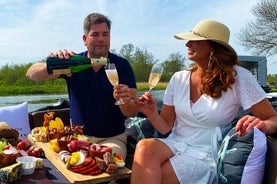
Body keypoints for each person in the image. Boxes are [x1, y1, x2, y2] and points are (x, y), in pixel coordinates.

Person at [131, 19, 277, 184]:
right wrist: (151, 112)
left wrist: (263, 125)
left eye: (195, 40)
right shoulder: (178, 78)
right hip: (176, 143)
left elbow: (273, 119)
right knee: (144, 147)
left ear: (213, 47)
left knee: (157, 175)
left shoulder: (238, 77)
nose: (187, 44)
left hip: (205, 154)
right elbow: (165, 125)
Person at [26, 13, 138, 159]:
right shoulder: (72, 63)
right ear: (85, 39)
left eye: (105, 34)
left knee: (106, 161)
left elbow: (133, 112)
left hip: (112, 140)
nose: (101, 39)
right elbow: (31, 73)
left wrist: (125, 101)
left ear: (110, 37)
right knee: (71, 164)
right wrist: (54, 64)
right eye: (95, 34)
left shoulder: (122, 65)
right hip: (77, 139)